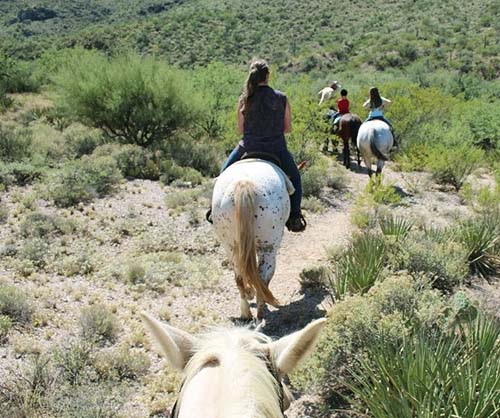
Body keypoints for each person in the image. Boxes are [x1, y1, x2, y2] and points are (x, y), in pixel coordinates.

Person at [218, 59, 306, 233]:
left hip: (248, 147)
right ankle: (295, 216)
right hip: (276, 149)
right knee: (295, 177)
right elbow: (287, 128)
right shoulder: (281, 98)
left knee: (223, 174)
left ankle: (213, 210)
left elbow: (240, 129)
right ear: (268, 75)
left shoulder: (244, 99)